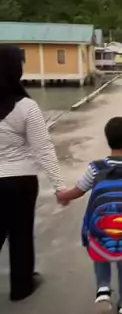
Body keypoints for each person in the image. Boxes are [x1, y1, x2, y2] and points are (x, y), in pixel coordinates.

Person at [57, 116, 122, 314]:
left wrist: (64, 196)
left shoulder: (96, 168)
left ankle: (103, 287)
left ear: (108, 141)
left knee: (100, 246)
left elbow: (79, 190)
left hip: (102, 224)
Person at [0, 45, 64, 301]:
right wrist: (60, 187)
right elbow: (43, 149)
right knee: (21, 233)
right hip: (20, 182)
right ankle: (21, 286)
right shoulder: (26, 106)